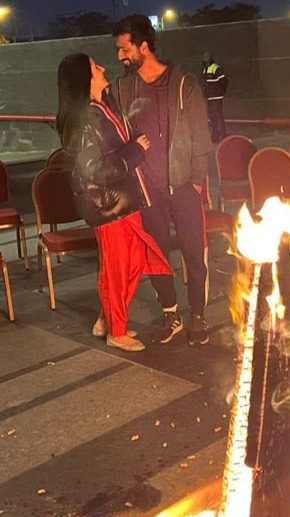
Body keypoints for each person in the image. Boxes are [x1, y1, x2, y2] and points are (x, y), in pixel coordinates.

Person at [56, 52, 172, 352]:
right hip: (108, 205)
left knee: (130, 263)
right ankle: (117, 331)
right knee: (118, 268)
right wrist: (134, 152)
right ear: (85, 78)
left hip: (120, 201)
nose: (103, 68)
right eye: (96, 67)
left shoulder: (99, 107)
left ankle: (106, 320)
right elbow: (94, 170)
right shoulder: (84, 120)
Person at [111, 14, 213, 346]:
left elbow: (201, 132)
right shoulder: (123, 88)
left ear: (143, 46)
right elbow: (113, 133)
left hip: (184, 185)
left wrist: (197, 179)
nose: (120, 56)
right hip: (147, 189)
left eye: (124, 49)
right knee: (156, 255)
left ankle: (197, 312)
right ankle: (171, 313)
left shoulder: (183, 83)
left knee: (193, 253)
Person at [202, 52, 228, 144]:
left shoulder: (216, 68)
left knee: (219, 117)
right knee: (213, 118)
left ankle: (223, 135)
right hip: (210, 98)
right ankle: (215, 136)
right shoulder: (205, 69)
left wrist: (220, 92)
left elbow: (224, 81)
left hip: (216, 97)